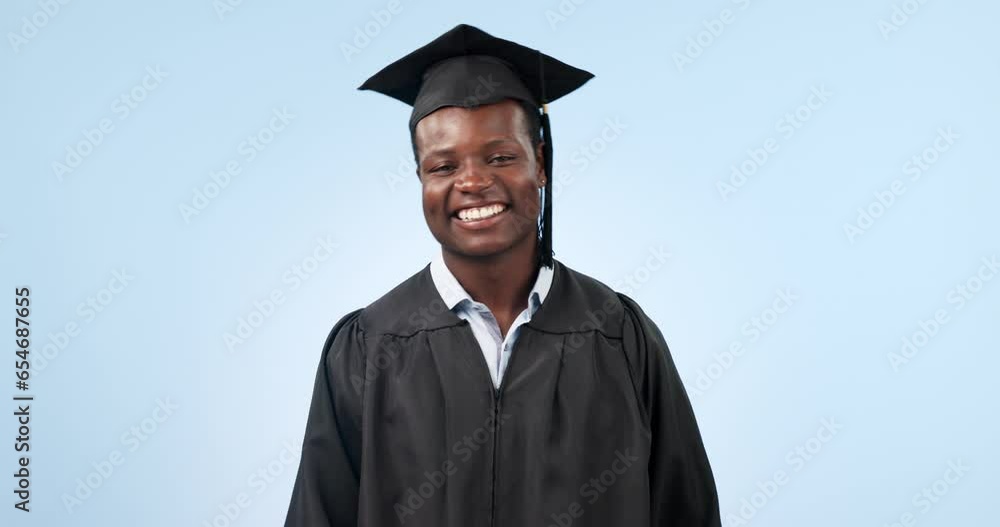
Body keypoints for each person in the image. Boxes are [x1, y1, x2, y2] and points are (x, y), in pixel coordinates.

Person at [284, 23, 721, 527]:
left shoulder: (618, 334)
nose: (472, 181)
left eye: (500, 157)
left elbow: (686, 511)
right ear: (421, 180)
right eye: (443, 167)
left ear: (541, 163)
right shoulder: (369, 347)